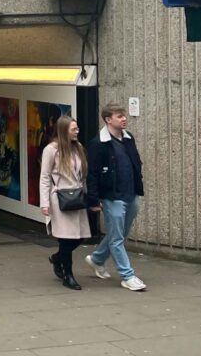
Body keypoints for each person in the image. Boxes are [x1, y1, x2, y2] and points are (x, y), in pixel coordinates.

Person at [85, 103, 146, 291]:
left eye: (124, 115)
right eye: (119, 116)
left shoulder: (128, 139)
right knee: (117, 237)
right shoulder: (98, 144)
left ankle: (97, 259)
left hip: (131, 194)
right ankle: (127, 276)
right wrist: (94, 200)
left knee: (119, 233)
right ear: (108, 119)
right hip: (112, 197)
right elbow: (92, 173)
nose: (124, 119)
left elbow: (135, 163)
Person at [40, 116, 90, 290]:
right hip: (60, 198)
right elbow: (45, 177)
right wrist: (44, 203)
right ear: (63, 131)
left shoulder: (79, 148)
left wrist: (89, 197)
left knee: (80, 237)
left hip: (77, 197)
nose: (77, 131)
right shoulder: (51, 150)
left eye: (77, 129)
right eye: (73, 129)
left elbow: (83, 176)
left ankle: (57, 258)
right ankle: (68, 275)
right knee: (66, 239)